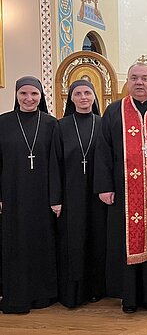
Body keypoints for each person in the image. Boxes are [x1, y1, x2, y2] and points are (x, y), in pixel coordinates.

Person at [94, 63, 147, 313]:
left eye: (145, 78)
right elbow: (103, 151)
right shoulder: (114, 111)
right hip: (124, 190)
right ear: (127, 81)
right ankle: (128, 295)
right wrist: (105, 186)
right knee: (127, 241)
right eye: (134, 78)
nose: (139, 83)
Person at [0, 76, 58, 313]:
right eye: (24, 94)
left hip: (42, 196)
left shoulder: (51, 123)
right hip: (12, 194)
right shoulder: (3, 123)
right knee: (15, 243)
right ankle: (16, 293)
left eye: (34, 94)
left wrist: (56, 198)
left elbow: (56, 165)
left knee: (41, 242)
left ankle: (43, 293)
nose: (29, 99)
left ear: (41, 97)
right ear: (16, 95)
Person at [49, 79, 107, 308]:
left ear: (94, 97)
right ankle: (74, 292)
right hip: (70, 196)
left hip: (98, 195)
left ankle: (96, 289)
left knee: (96, 240)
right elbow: (54, 163)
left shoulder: (102, 124)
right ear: (71, 99)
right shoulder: (60, 126)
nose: (83, 97)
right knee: (73, 242)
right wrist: (56, 199)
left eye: (87, 93)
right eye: (78, 94)